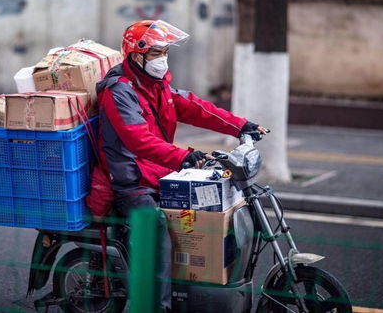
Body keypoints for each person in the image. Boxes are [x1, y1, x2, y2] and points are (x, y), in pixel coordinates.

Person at [86, 20, 267, 312]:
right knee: (157, 231)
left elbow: (196, 108)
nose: (163, 59)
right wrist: (183, 157)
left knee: (207, 205)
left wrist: (241, 126)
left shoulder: (157, 86)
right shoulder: (119, 91)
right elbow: (138, 141)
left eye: (165, 52)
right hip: (131, 180)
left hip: (157, 172)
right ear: (136, 56)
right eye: (157, 53)